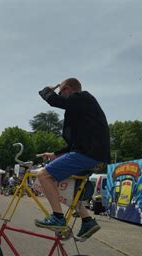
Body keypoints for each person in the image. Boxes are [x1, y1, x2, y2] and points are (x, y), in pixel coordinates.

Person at [35, 78, 110, 241]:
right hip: (94, 155)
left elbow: (53, 100)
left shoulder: (81, 97)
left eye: (61, 93)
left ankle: (57, 218)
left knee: (44, 175)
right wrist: (55, 154)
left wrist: (47, 90)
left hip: (89, 154)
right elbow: (74, 144)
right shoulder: (82, 110)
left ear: (68, 90)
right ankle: (87, 221)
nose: (60, 96)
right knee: (67, 188)